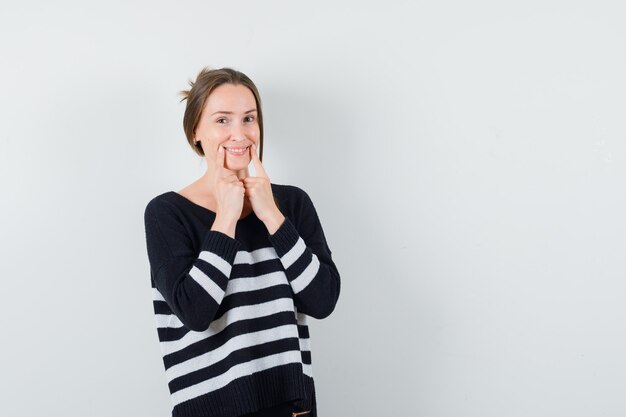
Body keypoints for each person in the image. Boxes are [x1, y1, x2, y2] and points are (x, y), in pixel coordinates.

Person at [143, 67, 341, 417]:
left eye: (249, 119)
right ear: (195, 132)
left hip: (291, 407)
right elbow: (194, 311)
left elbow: (322, 300)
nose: (239, 133)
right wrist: (226, 218)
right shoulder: (166, 213)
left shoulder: (291, 204)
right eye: (222, 120)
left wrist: (272, 216)